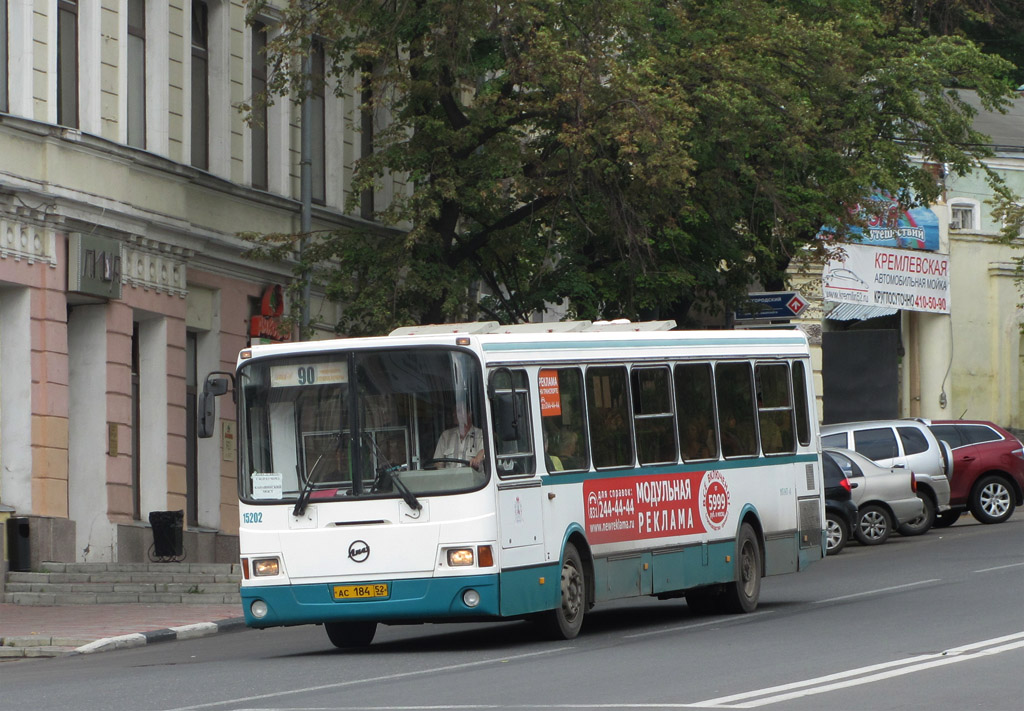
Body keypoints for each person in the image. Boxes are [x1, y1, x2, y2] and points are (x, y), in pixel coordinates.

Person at [434, 402, 485, 469]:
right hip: (450, 478)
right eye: (454, 412)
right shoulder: (446, 436)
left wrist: (477, 459)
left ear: (469, 413)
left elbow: (484, 451)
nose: (454, 414)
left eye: (458, 411)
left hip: (473, 478)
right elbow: (437, 463)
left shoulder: (481, 434)